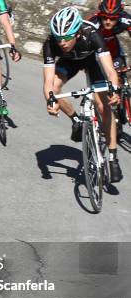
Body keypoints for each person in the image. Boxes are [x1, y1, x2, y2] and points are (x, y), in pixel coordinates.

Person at [43, 6, 123, 182]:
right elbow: (48, 82)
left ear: (77, 33)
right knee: (55, 90)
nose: (61, 43)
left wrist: (115, 89)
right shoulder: (51, 44)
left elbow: (110, 71)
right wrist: (50, 101)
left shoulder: (92, 34)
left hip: (92, 60)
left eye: (66, 38)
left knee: (103, 106)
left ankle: (112, 156)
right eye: (58, 38)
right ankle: (76, 120)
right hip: (70, 61)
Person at [88, 0, 131, 70]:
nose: (108, 22)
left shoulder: (126, 19)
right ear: (100, 15)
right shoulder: (92, 22)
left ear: (119, 16)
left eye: (113, 18)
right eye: (104, 17)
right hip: (96, 51)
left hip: (113, 48)